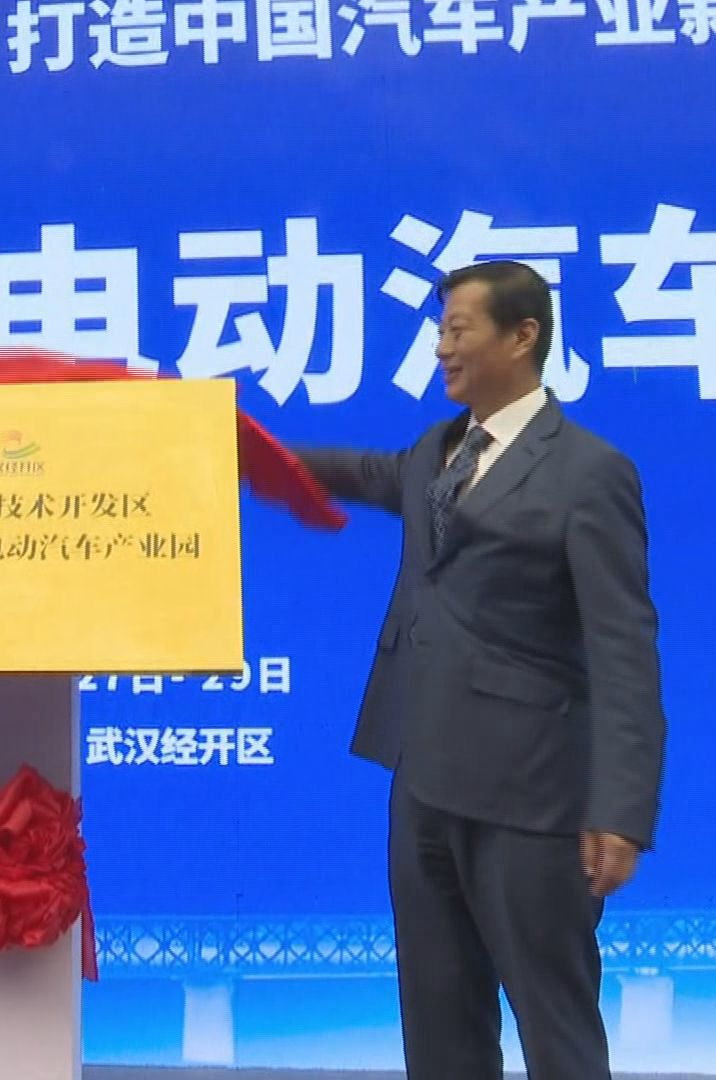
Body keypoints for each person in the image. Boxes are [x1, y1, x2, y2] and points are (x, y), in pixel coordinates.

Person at [295, 260, 666, 1080]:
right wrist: (243, 451)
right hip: (423, 785)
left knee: (556, 1030)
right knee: (439, 1029)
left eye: (458, 330)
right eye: (440, 331)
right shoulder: (437, 450)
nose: (441, 348)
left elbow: (625, 648)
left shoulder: (589, 471)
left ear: (523, 336)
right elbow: (359, 473)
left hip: (531, 800)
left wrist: (621, 809)